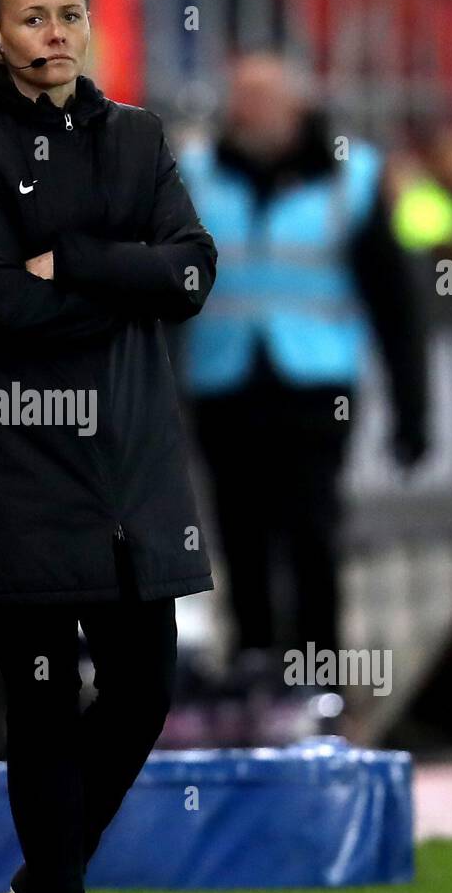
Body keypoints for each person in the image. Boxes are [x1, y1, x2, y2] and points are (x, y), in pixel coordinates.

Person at [0, 0, 217, 893]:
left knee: (143, 690)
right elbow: (0, 305)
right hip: (23, 464)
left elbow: (191, 271)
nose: (55, 32)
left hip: (132, 458)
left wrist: (75, 265)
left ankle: (48, 868)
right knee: (43, 703)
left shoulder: (138, 135)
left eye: (70, 14)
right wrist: (123, 274)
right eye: (33, 17)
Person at [175, 52, 428, 737]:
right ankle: (252, 671)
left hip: (315, 385)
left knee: (311, 532)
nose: (247, 111)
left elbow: (392, 305)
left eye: (261, 98)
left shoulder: (352, 177)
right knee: (238, 533)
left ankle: (319, 680)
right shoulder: (194, 174)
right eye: (240, 97)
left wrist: (412, 409)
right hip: (223, 381)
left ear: (296, 105)